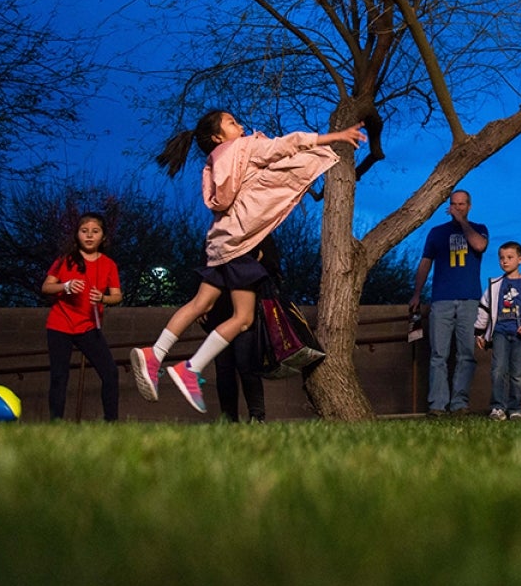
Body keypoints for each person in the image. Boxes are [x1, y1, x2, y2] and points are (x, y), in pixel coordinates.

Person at [130, 110, 365, 413]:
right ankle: (191, 369)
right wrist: (334, 136)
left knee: (199, 303)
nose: (240, 126)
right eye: (231, 123)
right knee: (243, 318)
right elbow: (286, 144)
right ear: (217, 136)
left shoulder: (214, 161)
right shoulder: (244, 147)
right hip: (239, 244)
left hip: (218, 242)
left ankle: (156, 353)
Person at [409, 189, 489, 416]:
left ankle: (459, 404)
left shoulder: (479, 229)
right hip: (441, 300)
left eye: (462, 204)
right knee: (438, 354)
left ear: (469, 206)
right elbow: (425, 263)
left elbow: (479, 246)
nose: (458, 208)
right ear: (448, 206)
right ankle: (437, 405)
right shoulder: (436, 233)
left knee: (466, 354)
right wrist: (416, 293)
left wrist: (462, 222)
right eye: (454, 204)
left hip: (469, 299)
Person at [40, 212, 123, 421]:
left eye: (95, 232)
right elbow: (46, 287)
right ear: (77, 235)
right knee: (59, 376)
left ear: (103, 237)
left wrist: (103, 298)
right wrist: (65, 286)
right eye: (84, 231)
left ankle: (111, 422)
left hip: (88, 327)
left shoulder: (109, 264)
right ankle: (56, 423)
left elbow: (117, 296)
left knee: (110, 373)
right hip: (60, 325)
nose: (89, 236)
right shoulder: (64, 260)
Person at [200, 233, 283, 424]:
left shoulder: (261, 234)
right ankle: (228, 419)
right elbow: (204, 269)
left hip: (248, 312)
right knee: (224, 368)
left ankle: (257, 416)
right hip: (220, 312)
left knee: (247, 365)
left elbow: (273, 269)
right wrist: (201, 302)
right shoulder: (215, 235)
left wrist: (254, 262)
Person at [474, 242, 521, 421]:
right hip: (500, 332)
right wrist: (479, 332)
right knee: (498, 370)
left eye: (510, 257)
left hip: (520, 335)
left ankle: (515, 408)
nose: (505, 261)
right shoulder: (494, 285)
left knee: (518, 373)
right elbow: (484, 308)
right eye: (501, 258)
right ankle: (497, 408)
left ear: (520, 259)